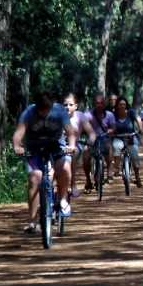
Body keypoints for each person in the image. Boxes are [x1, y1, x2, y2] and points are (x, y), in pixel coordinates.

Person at [12, 91, 76, 232]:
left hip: (56, 146)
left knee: (65, 168)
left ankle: (63, 199)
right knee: (35, 178)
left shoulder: (59, 110)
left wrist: (70, 145)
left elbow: (70, 132)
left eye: (47, 109)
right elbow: (19, 132)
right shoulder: (29, 112)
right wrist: (17, 147)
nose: (44, 112)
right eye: (41, 109)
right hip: (35, 147)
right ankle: (33, 221)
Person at [63, 94, 97, 198]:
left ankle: (73, 185)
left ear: (76, 106)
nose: (68, 107)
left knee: (72, 153)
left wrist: (91, 140)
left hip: (75, 146)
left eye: (70, 104)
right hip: (59, 145)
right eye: (65, 104)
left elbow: (91, 133)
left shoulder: (80, 116)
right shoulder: (58, 115)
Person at [83, 94, 116, 191]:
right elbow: (83, 125)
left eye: (101, 103)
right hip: (91, 140)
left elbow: (114, 126)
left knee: (109, 146)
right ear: (94, 104)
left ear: (105, 104)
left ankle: (109, 172)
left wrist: (111, 130)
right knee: (85, 154)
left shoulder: (110, 115)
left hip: (104, 138)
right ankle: (88, 180)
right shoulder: (88, 115)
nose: (99, 105)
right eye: (97, 103)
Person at [112, 96, 143, 188]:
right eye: (120, 104)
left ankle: (137, 177)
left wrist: (141, 128)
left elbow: (138, 119)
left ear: (126, 105)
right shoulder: (113, 115)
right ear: (117, 106)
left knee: (135, 156)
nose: (122, 106)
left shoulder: (131, 112)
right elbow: (109, 123)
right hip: (118, 137)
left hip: (131, 137)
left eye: (123, 104)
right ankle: (116, 167)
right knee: (116, 146)